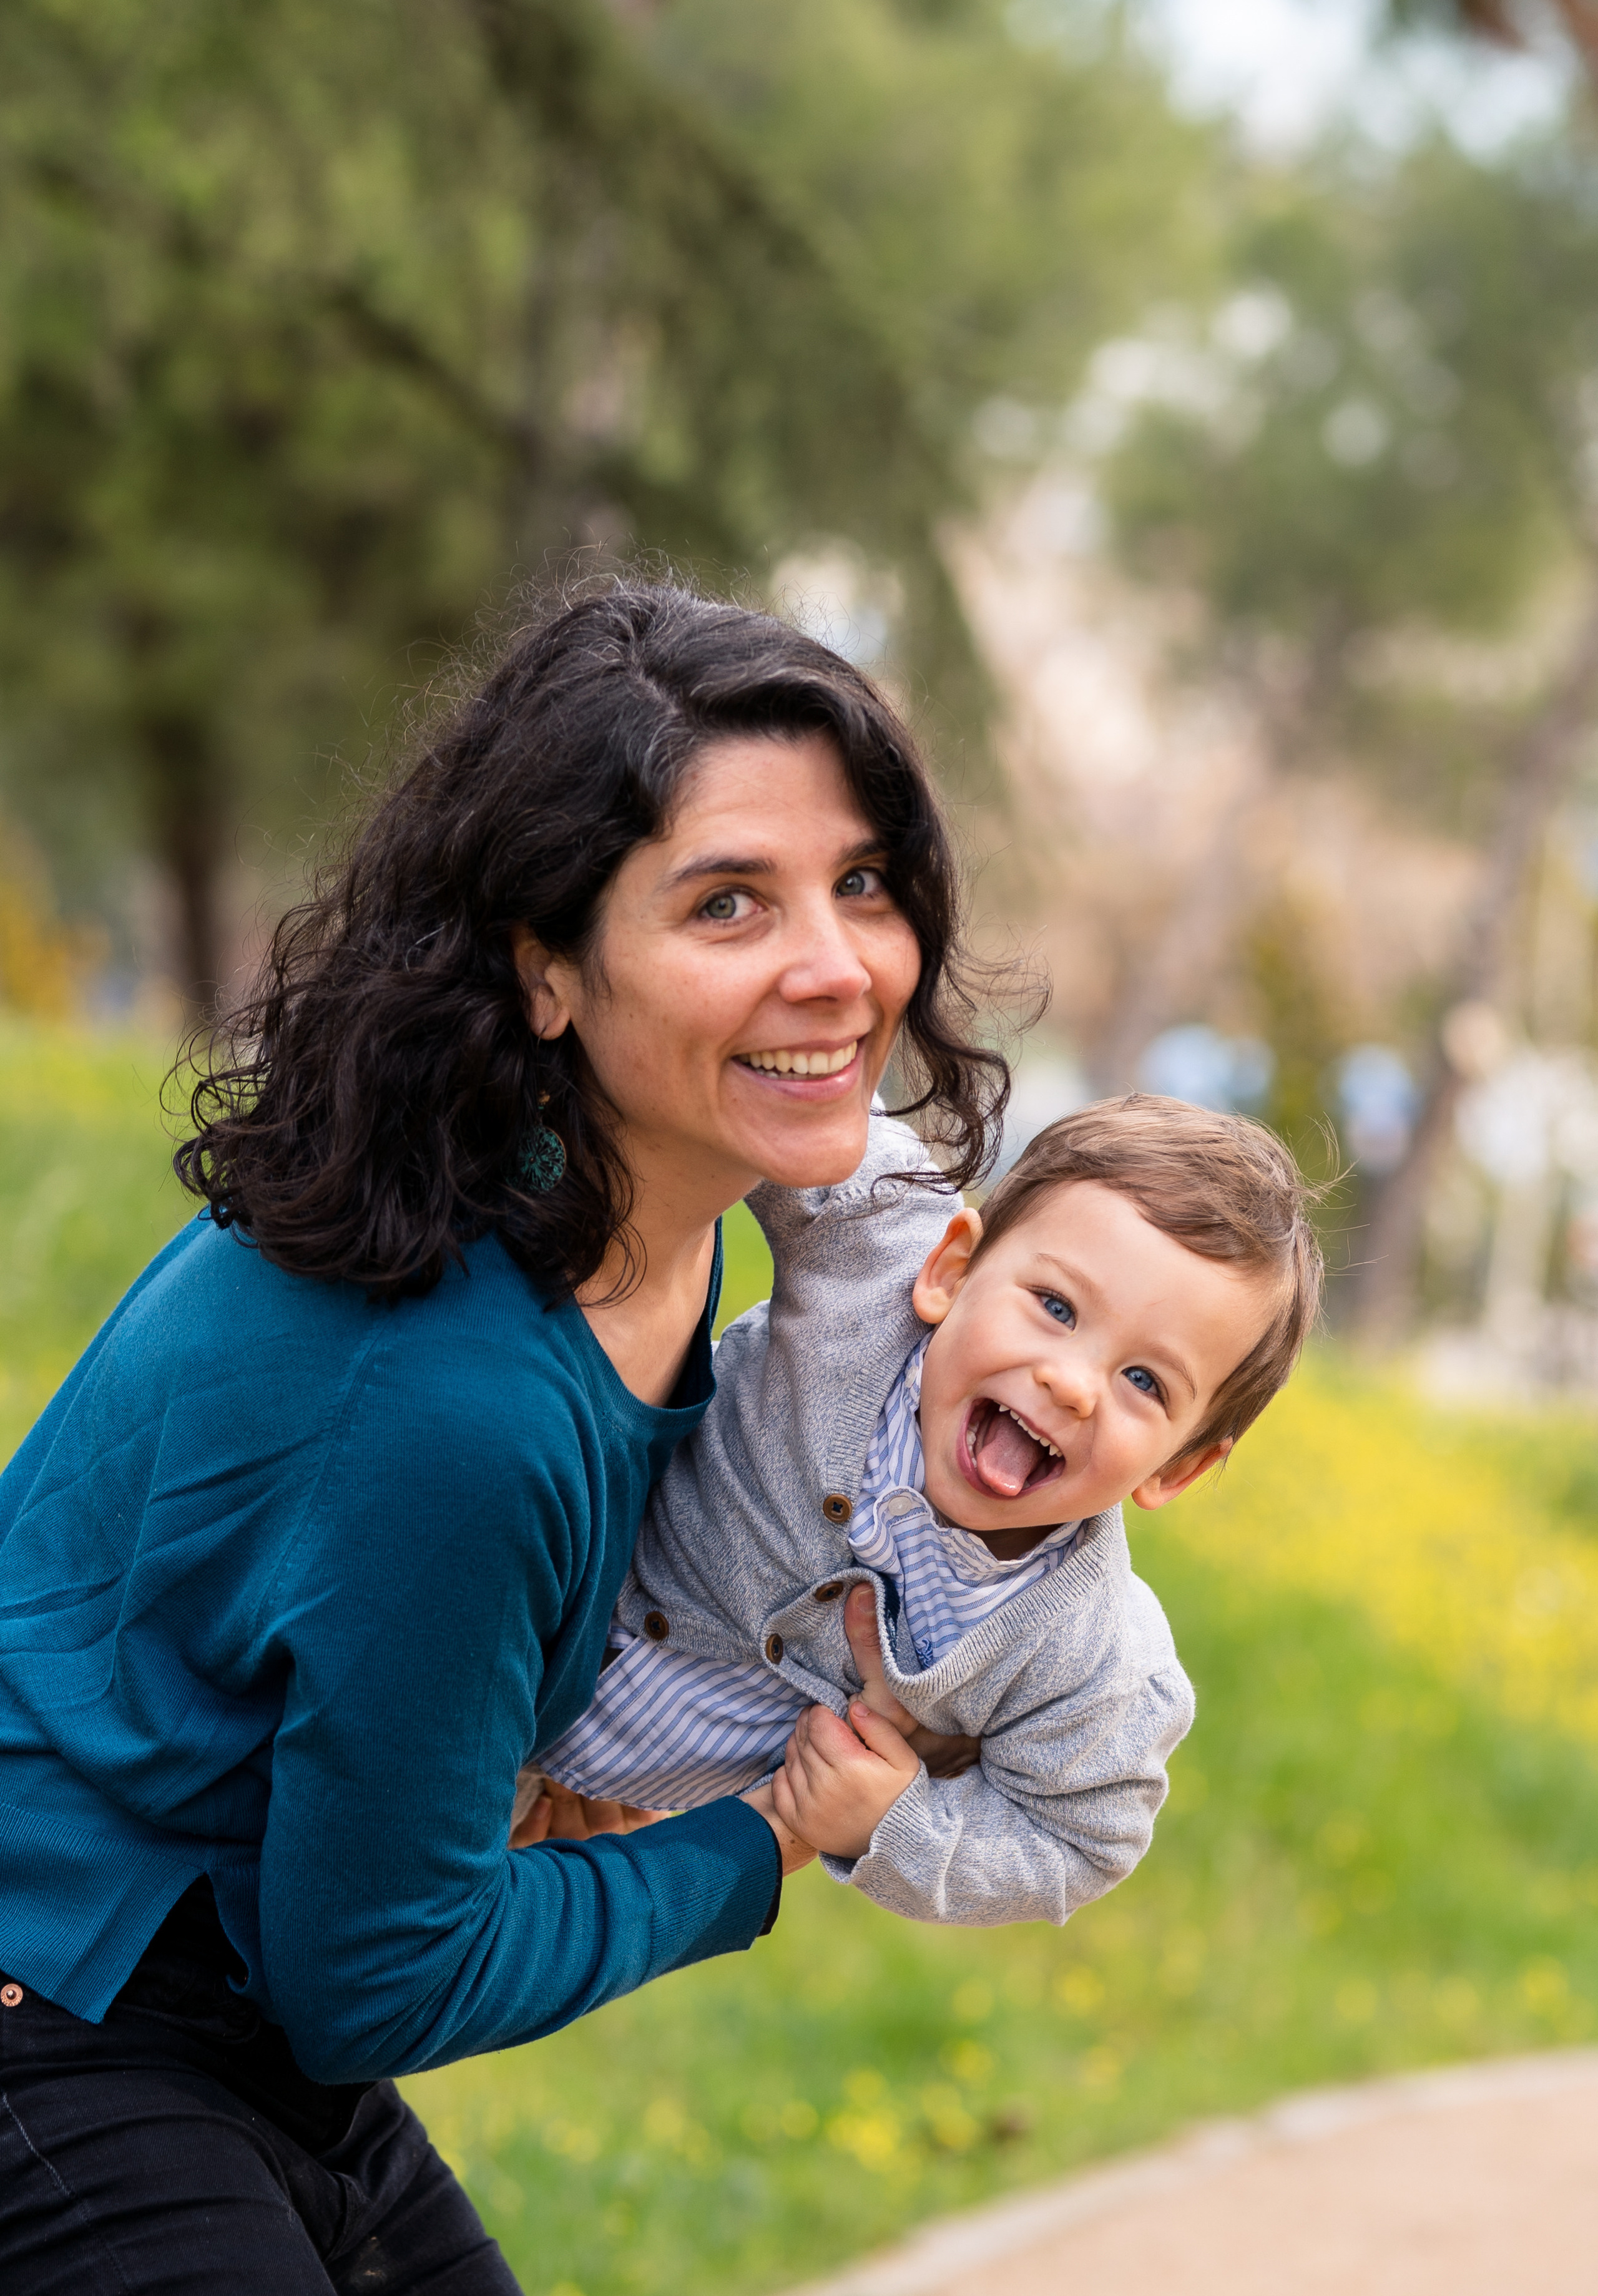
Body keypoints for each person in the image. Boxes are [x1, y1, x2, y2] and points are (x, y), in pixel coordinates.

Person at [0, 582, 1009, 2294]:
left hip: (243, 1999)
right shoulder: (452, 1395)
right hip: (70, 2008)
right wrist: (763, 1839)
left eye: (860, 884)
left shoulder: (659, 1222)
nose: (836, 965)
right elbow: (383, 1971)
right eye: (726, 903)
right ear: (547, 967)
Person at [538, 1095, 1323, 1923]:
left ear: (1181, 1468)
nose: (1072, 1382)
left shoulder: (1086, 1653)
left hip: (568, 1809)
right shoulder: (879, 1261)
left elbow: (1078, 1840)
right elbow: (800, 1100)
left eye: (1143, 1382)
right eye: (1055, 1306)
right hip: (508, 1609)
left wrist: (893, 1823)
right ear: (952, 1270)